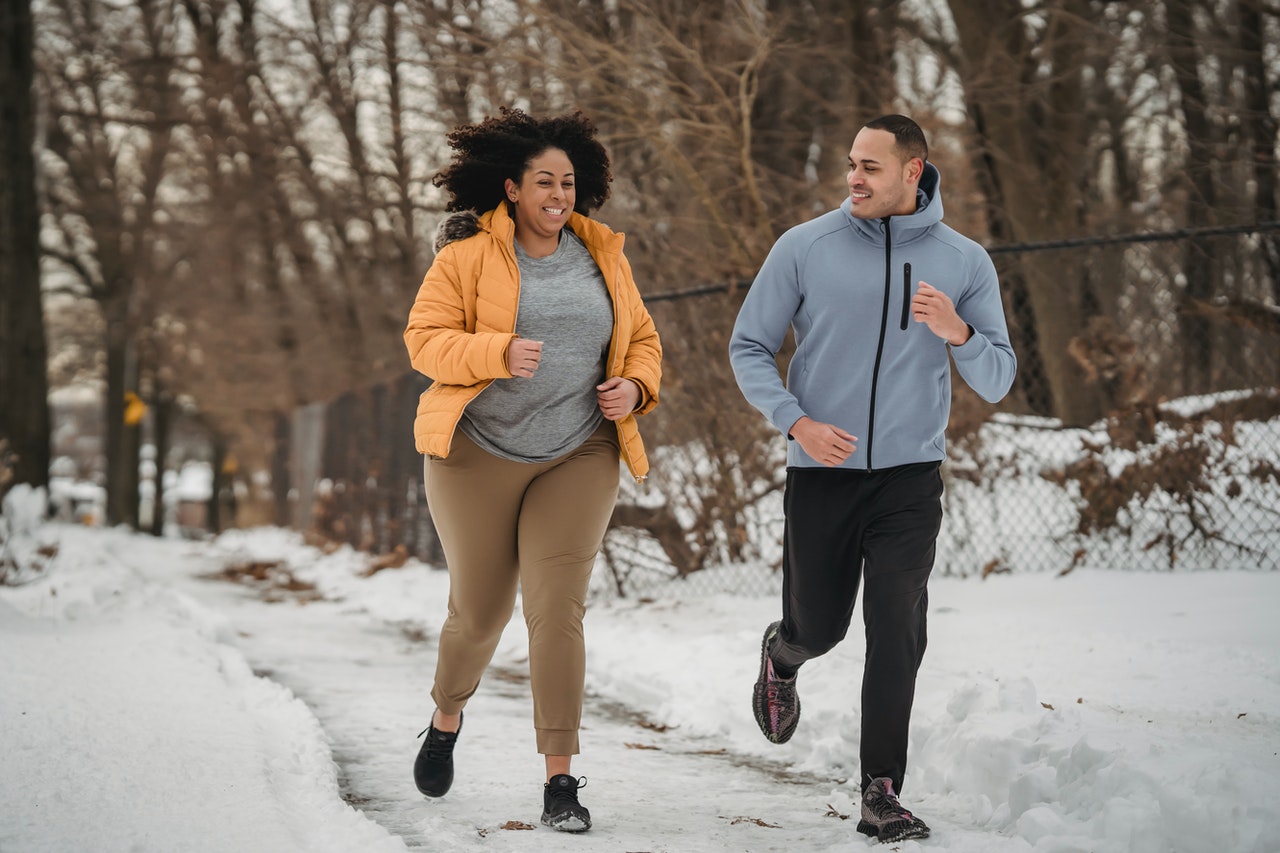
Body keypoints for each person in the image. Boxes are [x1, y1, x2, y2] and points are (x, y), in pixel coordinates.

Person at [728, 114, 1016, 843]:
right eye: (851, 163)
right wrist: (797, 422)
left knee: (897, 626)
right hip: (821, 471)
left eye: (871, 167)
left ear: (913, 171)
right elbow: (749, 346)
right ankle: (782, 653)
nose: (854, 177)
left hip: (910, 478)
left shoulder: (964, 261)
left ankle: (880, 788)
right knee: (820, 627)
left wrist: (960, 333)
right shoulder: (805, 247)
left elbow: (1000, 376)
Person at [403, 107, 662, 833]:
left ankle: (560, 780)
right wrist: (494, 352)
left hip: (579, 450)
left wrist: (635, 387)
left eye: (568, 182)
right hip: (475, 453)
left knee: (556, 611)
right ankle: (446, 717)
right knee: (480, 613)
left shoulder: (603, 254)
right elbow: (424, 342)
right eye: (544, 181)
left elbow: (641, 338)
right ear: (511, 188)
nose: (558, 193)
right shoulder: (464, 258)